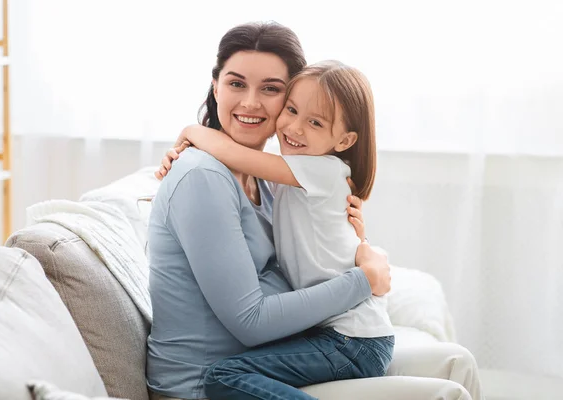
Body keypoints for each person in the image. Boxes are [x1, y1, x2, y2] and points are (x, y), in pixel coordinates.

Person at [149, 21, 483, 400]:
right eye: (236, 84)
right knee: (446, 394)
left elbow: (316, 247)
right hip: (215, 384)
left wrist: (361, 246)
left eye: (271, 89)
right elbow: (250, 321)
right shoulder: (202, 177)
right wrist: (363, 279)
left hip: (279, 360)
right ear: (216, 87)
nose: (251, 103)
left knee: (458, 362)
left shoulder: (274, 180)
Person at [164, 60, 395, 400]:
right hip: (342, 334)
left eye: (315, 122)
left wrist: (191, 132)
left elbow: (236, 154)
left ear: (345, 140)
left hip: (351, 340)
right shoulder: (292, 173)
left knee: (225, 375)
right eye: (291, 110)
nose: (294, 128)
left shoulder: (320, 170)